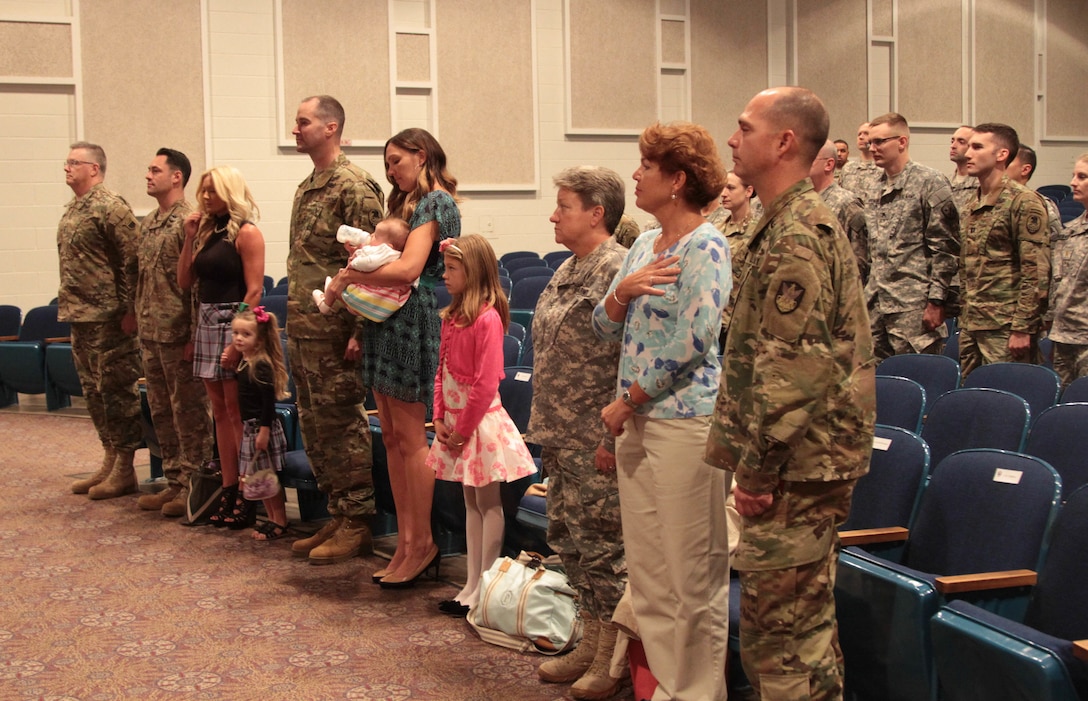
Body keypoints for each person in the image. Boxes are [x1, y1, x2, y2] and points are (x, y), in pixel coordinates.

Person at [706, 86, 876, 701]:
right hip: (798, 463)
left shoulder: (798, 234)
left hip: (795, 467)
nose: (732, 138)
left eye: (744, 128)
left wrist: (756, 470)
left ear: (783, 142)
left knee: (779, 636)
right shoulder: (782, 224)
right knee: (800, 625)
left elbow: (792, 371)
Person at [592, 121, 731, 701]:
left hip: (684, 422)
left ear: (676, 179)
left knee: (691, 575)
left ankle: (696, 692)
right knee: (650, 576)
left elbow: (696, 337)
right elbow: (603, 324)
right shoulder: (645, 245)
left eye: (645, 166)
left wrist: (628, 400)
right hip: (638, 422)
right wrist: (622, 292)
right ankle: (665, 687)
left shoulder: (708, 245)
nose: (635, 175)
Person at [324, 127, 460, 587]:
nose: (390, 171)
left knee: (409, 437)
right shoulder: (405, 203)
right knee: (392, 440)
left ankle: (422, 543)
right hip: (386, 320)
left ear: (421, 157)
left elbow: (408, 268)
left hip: (411, 319)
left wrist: (349, 275)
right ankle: (405, 541)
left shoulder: (436, 203)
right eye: (386, 164)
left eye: (396, 161)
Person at [529, 166, 628, 700]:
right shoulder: (570, 266)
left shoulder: (616, 269)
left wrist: (611, 438)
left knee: (604, 547)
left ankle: (613, 658)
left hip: (595, 436)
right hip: (559, 431)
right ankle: (590, 641)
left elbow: (624, 360)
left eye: (563, 206)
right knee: (568, 538)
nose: (553, 215)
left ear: (596, 213)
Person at [285, 95, 385, 565]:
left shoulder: (355, 186)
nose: (295, 129)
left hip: (337, 330)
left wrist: (358, 332)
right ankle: (338, 513)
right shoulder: (308, 186)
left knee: (342, 424)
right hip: (306, 326)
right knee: (315, 424)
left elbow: (371, 265)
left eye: (303, 122)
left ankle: (358, 522)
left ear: (330, 127)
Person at [426, 234, 537, 601]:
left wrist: (463, 427)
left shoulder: (487, 319)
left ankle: (485, 586)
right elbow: (441, 371)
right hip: (456, 423)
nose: (445, 275)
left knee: (488, 503)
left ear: (472, 273)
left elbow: (486, 382)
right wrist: (439, 416)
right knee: (470, 503)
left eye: (452, 268)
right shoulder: (452, 316)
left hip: (479, 423)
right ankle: (471, 582)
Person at [178, 166, 266, 528]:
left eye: (213, 191)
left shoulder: (247, 233)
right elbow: (185, 281)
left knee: (235, 412)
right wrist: (188, 238)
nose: (206, 197)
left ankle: (247, 494)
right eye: (203, 191)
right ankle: (228, 487)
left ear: (229, 192)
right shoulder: (206, 233)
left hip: (234, 323)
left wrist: (237, 339)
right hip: (206, 320)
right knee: (219, 411)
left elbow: (255, 290)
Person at [59, 142, 144, 500]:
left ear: (94, 169)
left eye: (74, 162)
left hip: (109, 317)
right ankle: (110, 457)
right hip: (80, 315)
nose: (66, 168)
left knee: (116, 392)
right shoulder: (73, 209)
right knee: (94, 392)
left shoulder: (110, 207)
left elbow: (133, 260)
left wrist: (130, 309)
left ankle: (125, 466)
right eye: (66, 162)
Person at [134, 148, 213, 517]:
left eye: (155, 170)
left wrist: (194, 337)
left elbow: (196, 286)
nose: (148, 175)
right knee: (161, 412)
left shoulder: (191, 221)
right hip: (151, 333)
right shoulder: (149, 222)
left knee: (190, 414)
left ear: (177, 176)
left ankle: (196, 486)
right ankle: (174, 482)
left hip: (179, 334)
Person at [866, 112, 961, 358]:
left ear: (902, 142)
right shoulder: (873, 185)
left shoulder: (930, 182)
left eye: (879, 142)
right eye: (870, 143)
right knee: (877, 385)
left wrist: (936, 302)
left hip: (913, 304)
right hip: (876, 301)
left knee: (916, 374)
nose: (872, 148)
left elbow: (946, 248)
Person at [958, 123, 1050, 377]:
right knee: (973, 399)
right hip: (972, 324)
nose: (968, 154)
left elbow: (1035, 271)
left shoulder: (1023, 202)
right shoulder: (971, 203)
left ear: (1001, 155)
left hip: (1006, 327)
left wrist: (1023, 327)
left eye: (978, 147)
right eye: (968, 147)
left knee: (1005, 397)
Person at [231, 307, 291, 540]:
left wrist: (264, 431)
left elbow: (268, 403)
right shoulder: (245, 361)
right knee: (259, 479)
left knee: (268, 478)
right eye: (236, 333)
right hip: (250, 428)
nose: (238, 338)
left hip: (261, 428)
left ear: (260, 339)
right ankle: (270, 518)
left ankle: (280, 521)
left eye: (246, 334)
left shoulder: (261, 364)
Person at [312, 217, 413, 320]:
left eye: (376, 236)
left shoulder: (384, 252)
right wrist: (354, 253)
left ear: (388, 245)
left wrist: (355, 260)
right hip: (386, 303)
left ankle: (325, 303)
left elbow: (367, 264)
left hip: (371, 300)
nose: (371, 236)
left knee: (339, 278)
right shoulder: (396, 255)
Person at [1048, 153, 1088, 386]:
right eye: (1073, 175)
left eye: (1082, 177)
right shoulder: (1071, 230)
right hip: (1064, 336)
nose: (1073, 182)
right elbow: (1058, 282)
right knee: (1065, 408)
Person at [811, 140, 871, 284]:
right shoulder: (804, 201)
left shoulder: (846, 203)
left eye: (811, 158)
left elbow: (859, 261)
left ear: (829, 164)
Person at [839, 122, 881, 198]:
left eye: (866, 133)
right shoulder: (848, 168)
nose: (861, 137)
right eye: (859, 134)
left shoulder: (883, 167)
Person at [949, 125, 979, 218]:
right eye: (952, 141)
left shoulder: (980, 184)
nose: (953, 146)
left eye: (961, 142)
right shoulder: (945, 182)